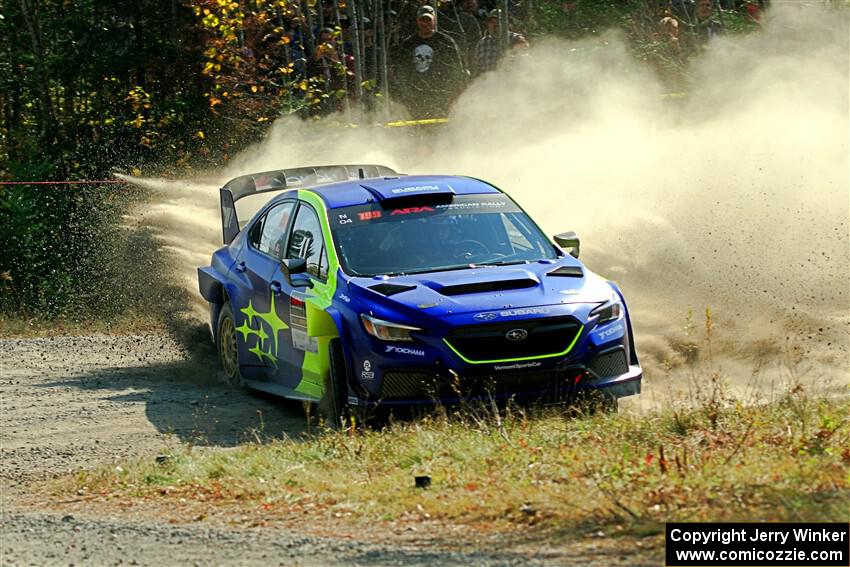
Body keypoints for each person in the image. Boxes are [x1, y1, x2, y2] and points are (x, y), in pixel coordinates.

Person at [390, 5, 467, 119]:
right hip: (415, 99)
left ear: (434, 20)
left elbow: (456, 70)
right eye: (422, 20)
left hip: (441, 97)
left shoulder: (446, 42)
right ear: (417, 21)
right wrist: (406, 94)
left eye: (428, 20)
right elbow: (401, 72)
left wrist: (450, 93)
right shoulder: (408, 45)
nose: (425, 23)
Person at [473, 9, 527, 76]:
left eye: (499, 21)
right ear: (487, 25)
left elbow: (526, 62)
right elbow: (477, 68)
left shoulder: (516, 38)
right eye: (492, 22)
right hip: (488, 84)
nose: (496, 24)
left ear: (506, 23)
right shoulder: (482, 43)